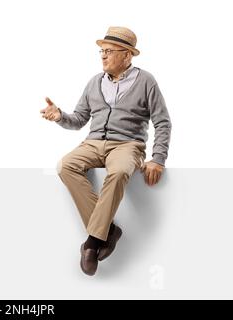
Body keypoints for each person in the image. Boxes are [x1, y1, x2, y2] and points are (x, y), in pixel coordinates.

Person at [40, 26, 171, 276]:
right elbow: (79, 119)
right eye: (101, 51)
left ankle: (92, 243)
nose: (102, 55)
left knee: (120, 170)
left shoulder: (146, 81)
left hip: (127, 144)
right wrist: (60, 117)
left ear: (127, 55)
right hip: (93, 143)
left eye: (109, 51)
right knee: (66, 166)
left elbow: (162, 122)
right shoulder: (94, 82)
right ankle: (108, 231)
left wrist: (158, 158)